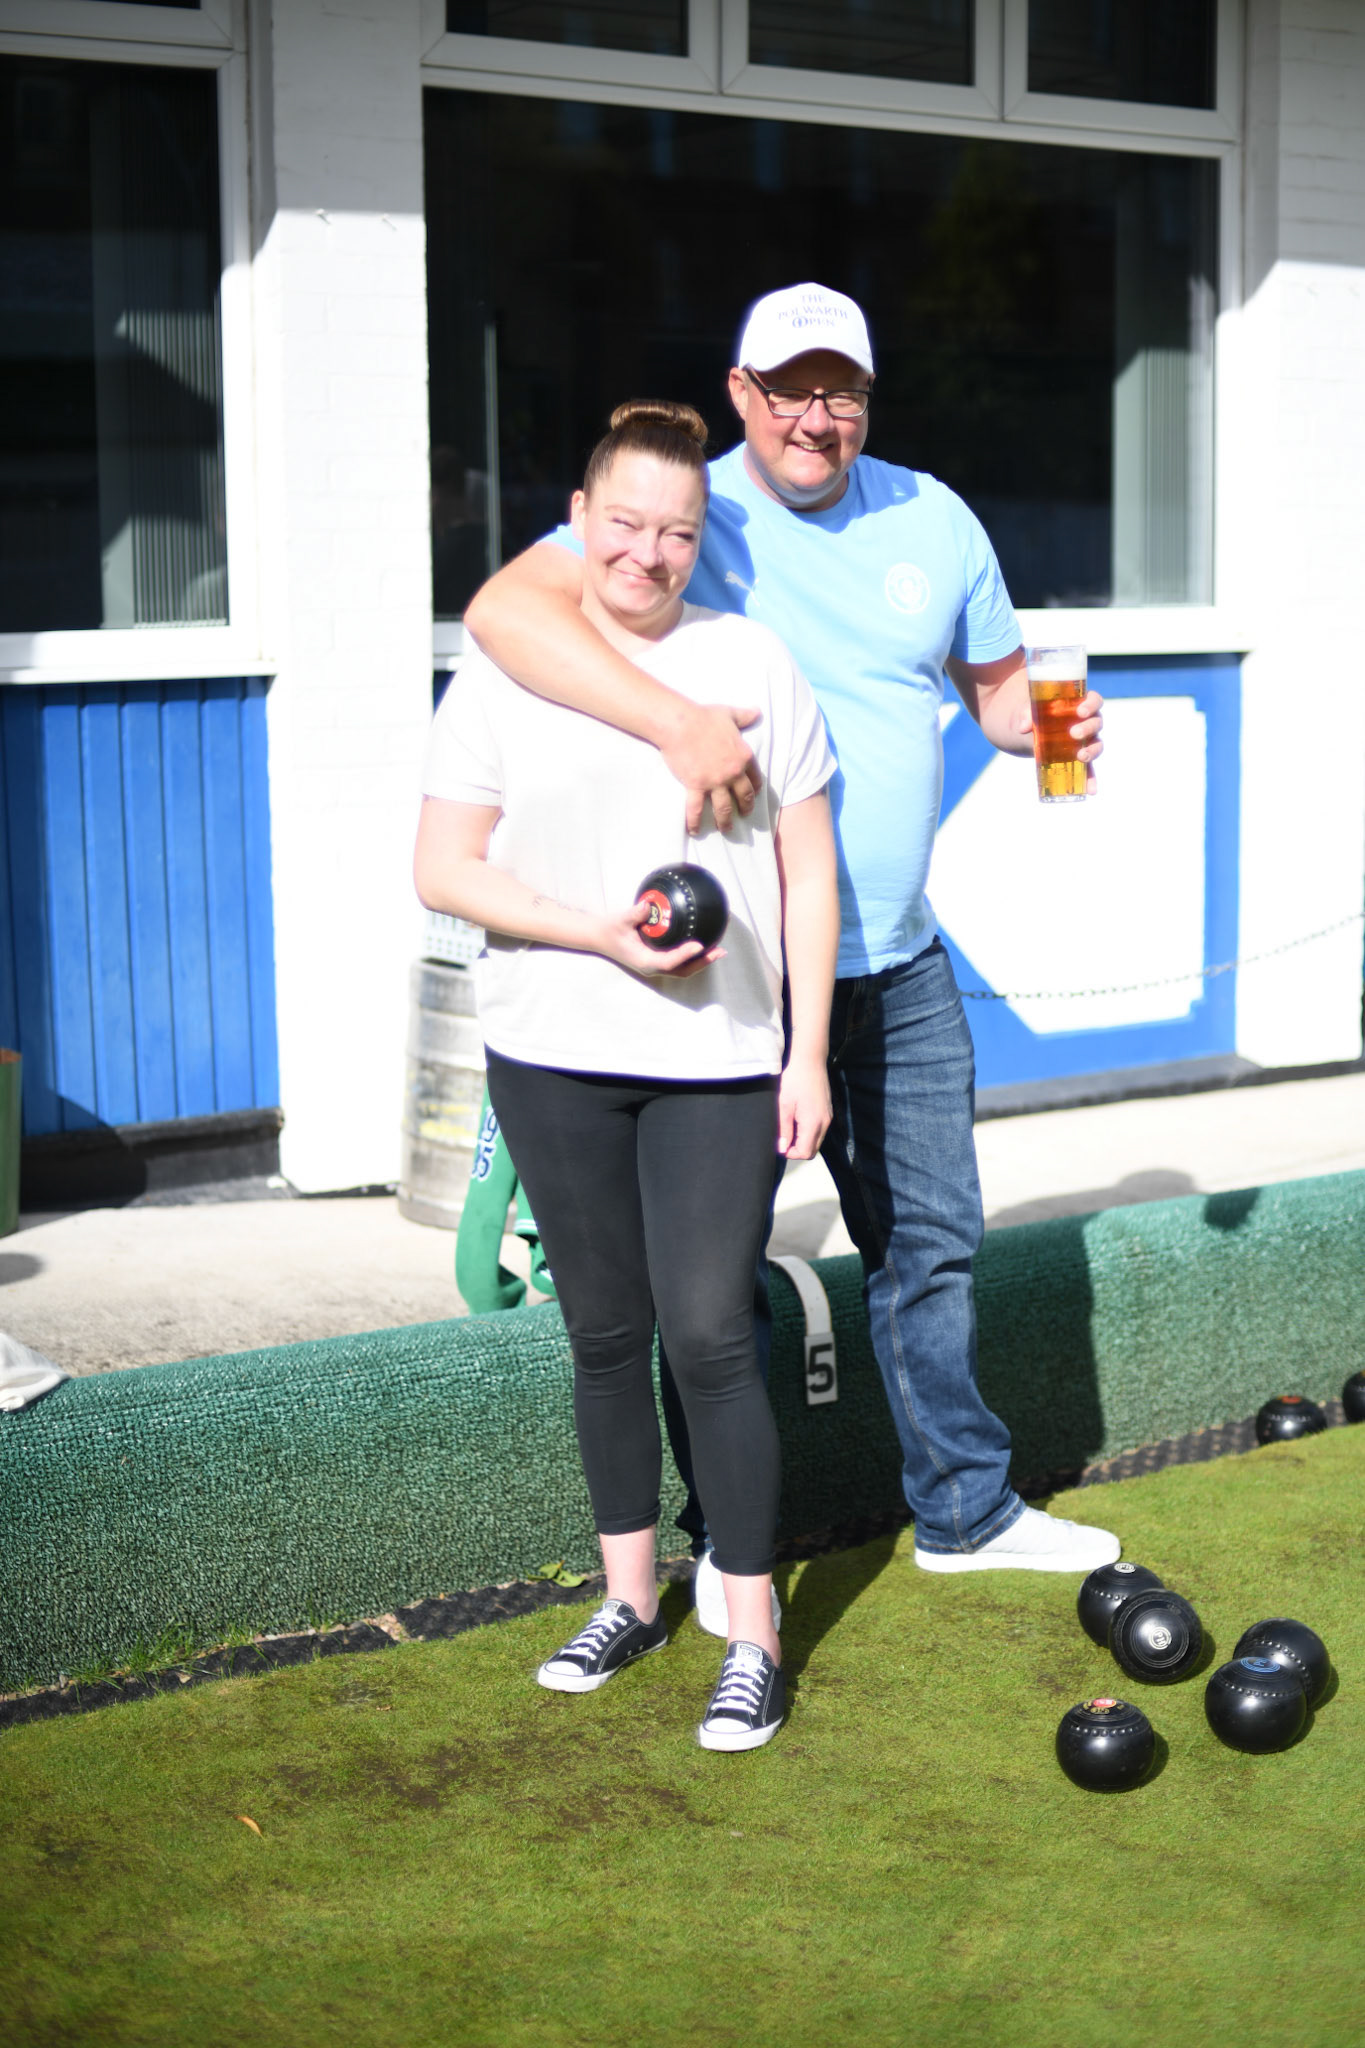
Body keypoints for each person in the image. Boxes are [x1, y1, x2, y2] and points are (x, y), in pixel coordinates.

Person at [463, 283, 1121, 1598]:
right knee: (707, 1292)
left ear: (868, 397)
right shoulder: (675, 514)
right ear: (742, 393)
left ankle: (964, 1513)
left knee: (930, 1246)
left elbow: (999, 696)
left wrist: (1051, 729)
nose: (815, 417)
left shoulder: (932, 517)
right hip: (736, 975)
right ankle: (729, 1545)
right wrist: (676, 721)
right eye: (789, 390)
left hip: (902, 959)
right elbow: (503, 616)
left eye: (842, 391)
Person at [414, 399, 839, 1750]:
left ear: (703, 541)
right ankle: (627, 1599)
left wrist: (807, 1052)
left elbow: (809, 869)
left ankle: (752, 1634)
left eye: (678, 532)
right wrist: (593, 932)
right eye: (625, 524)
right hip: (549, 1051)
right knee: (602, 1333)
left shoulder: (751, 661)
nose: (648, 554)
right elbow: (443, 869)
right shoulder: (503, 670)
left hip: (716, 1060)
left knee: (708, 1332)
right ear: (577, 521)